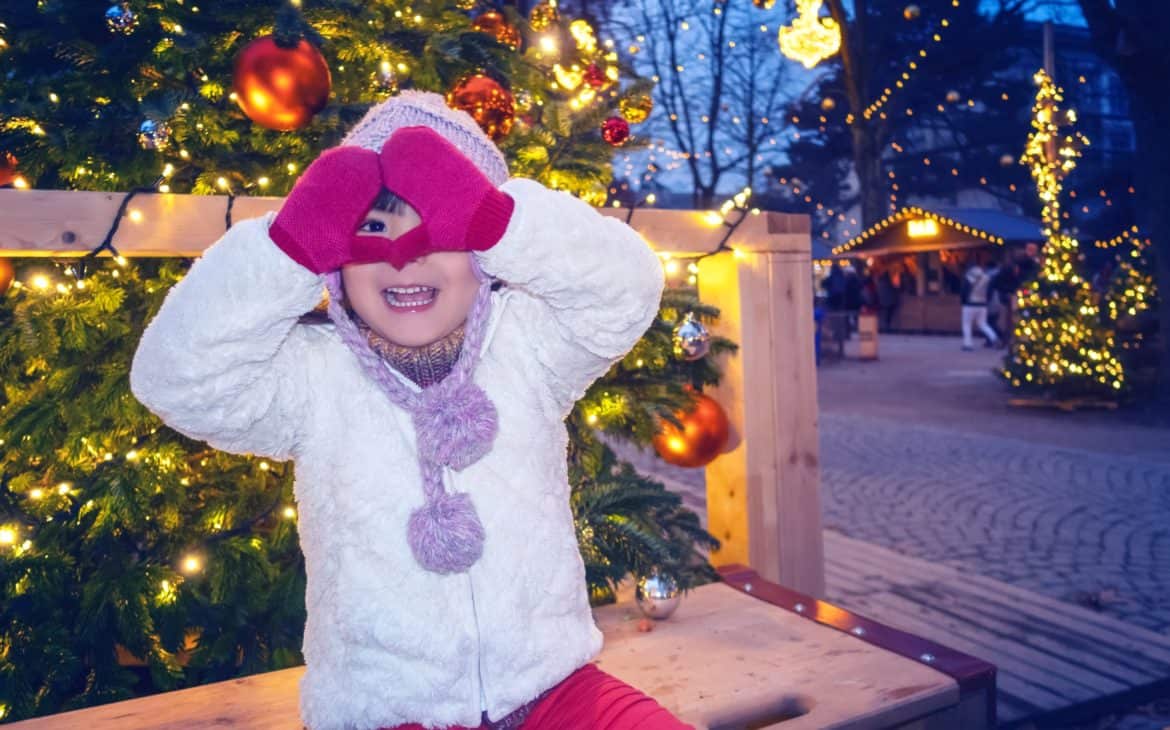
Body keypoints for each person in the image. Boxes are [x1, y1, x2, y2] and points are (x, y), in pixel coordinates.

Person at [130, 91, 688, 730]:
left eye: (441, 224)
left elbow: (627, 287)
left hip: (552, 686)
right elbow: (174, 379)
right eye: (373, 227)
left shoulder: (533, 346)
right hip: (385, 710)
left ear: (487, 258)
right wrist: (287, 248)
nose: (406, 252)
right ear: (334, 256)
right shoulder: (311, 377)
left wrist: (502, 219)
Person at [960, 258, 1000, 350]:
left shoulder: (968, 276)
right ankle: (994, 338)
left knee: (967, 324)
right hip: (982, 304)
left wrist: (963, 301)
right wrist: (986, 300)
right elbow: (989, 291)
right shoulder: (986, 277)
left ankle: (968, 344)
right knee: (983, 324)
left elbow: (964, 290)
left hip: (969, 304)